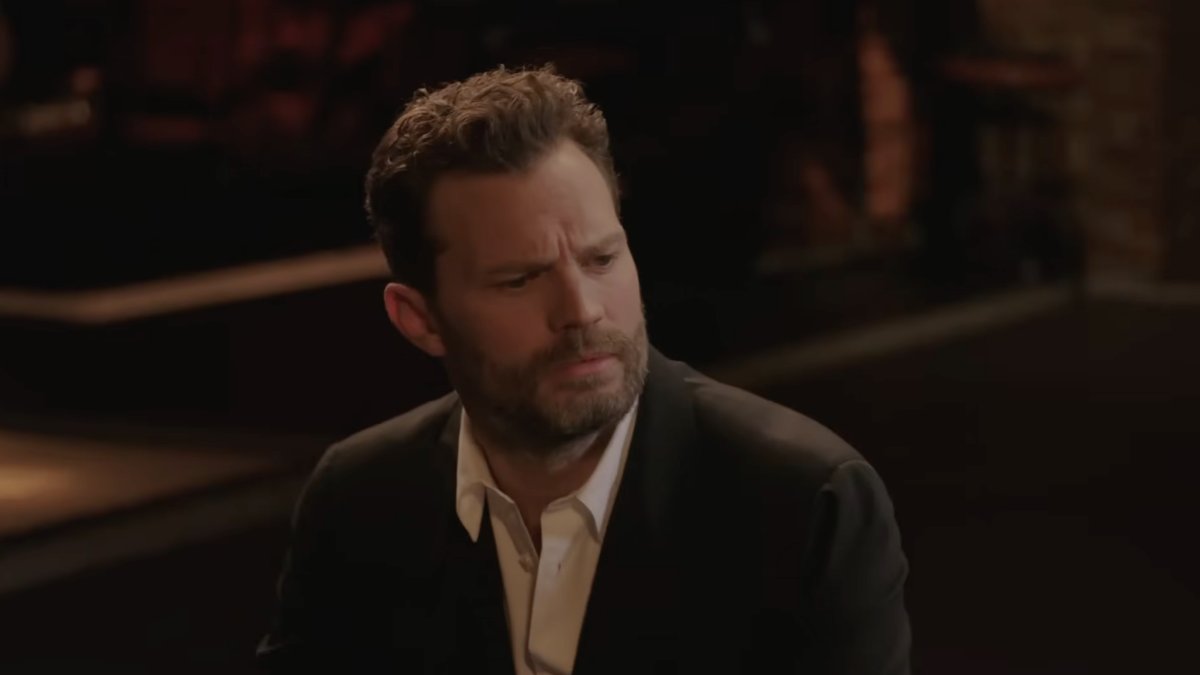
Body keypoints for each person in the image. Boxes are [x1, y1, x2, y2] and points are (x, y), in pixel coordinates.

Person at [257, 64, 910, 674]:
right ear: (420, 319)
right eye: (519, 279)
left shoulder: (804, 503)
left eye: (601, 259)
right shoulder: (357, 502)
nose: (581, 310)